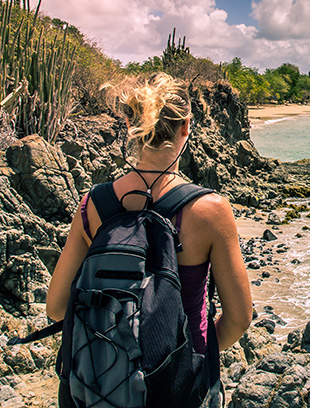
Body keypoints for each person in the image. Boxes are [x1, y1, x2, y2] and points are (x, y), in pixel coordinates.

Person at [46, 72, 253, 354]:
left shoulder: (93, 204)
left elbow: (57, 307)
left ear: (130, 124)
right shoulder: (210, 210)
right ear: (186, 127)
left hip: (105, 384)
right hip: (180, 385)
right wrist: (198, 360)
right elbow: (239, 319)